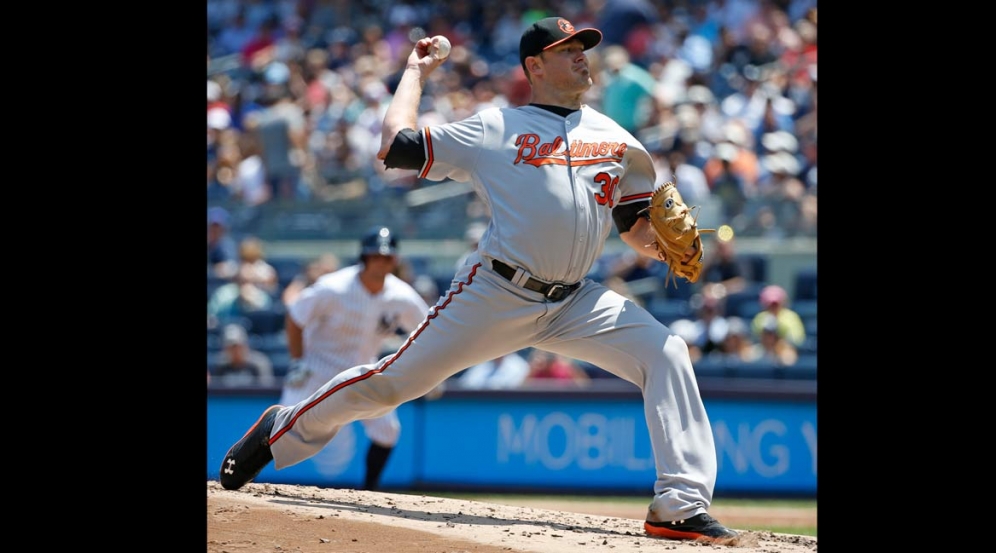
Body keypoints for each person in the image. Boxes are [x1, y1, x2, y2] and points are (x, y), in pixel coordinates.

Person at [219, 17, 738, 544]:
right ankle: (277, 432)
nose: (582, 55)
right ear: (534, 66)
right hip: (496, 292)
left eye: (584, 46)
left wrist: (663, 246)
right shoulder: (496, 128)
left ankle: (679, 503)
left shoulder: (619, 141)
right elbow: (394, 145)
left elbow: (632, 228)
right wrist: (416, 72)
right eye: (567, 49)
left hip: (576, 300)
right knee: (391, 382)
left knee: (667, 352)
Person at [278, 226, 431, 491]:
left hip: (361, 371)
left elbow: (430, 332)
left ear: (394, 260)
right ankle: (246, 480)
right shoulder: (334, 287)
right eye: (375, 256)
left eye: (386, 257)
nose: (380, 262)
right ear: (364, 257)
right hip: (316, 368)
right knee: (282, 426)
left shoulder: (401, 295)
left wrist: (432, 375)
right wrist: (298, 360)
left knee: (388, 431)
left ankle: (369, 491)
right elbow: (295, 316)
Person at [209, 323, 276, 388]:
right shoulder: (220, 365)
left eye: (238, 346)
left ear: (245, 346)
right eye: (230, 347)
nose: (235, 351)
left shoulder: (258, 364)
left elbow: (266, 389)